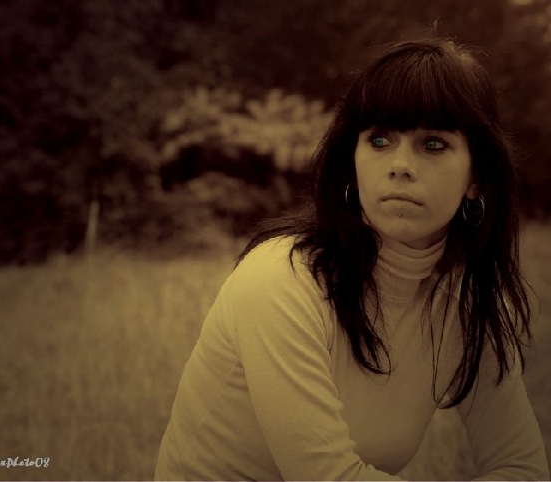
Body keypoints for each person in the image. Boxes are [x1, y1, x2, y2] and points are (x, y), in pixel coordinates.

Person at [154, 38, 550, 480]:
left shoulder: (464, 303)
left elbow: (522, 467)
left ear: (476, 178)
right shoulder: (280, 281)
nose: (400, 165)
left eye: (433, 144)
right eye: (379, 140)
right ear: (353, 164)